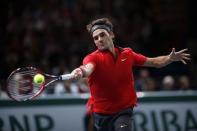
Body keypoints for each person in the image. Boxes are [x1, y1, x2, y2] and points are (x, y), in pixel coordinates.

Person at [69, 18, 191, 131]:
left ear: (111, 35)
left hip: (123, 111)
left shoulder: (127, 54)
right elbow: (87, 68)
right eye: (96, 38)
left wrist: (169, 58)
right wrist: (80, 71)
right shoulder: (92, 58)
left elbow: (154, 62)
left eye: (102, 35)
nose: (99, 39)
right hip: (100, 115)